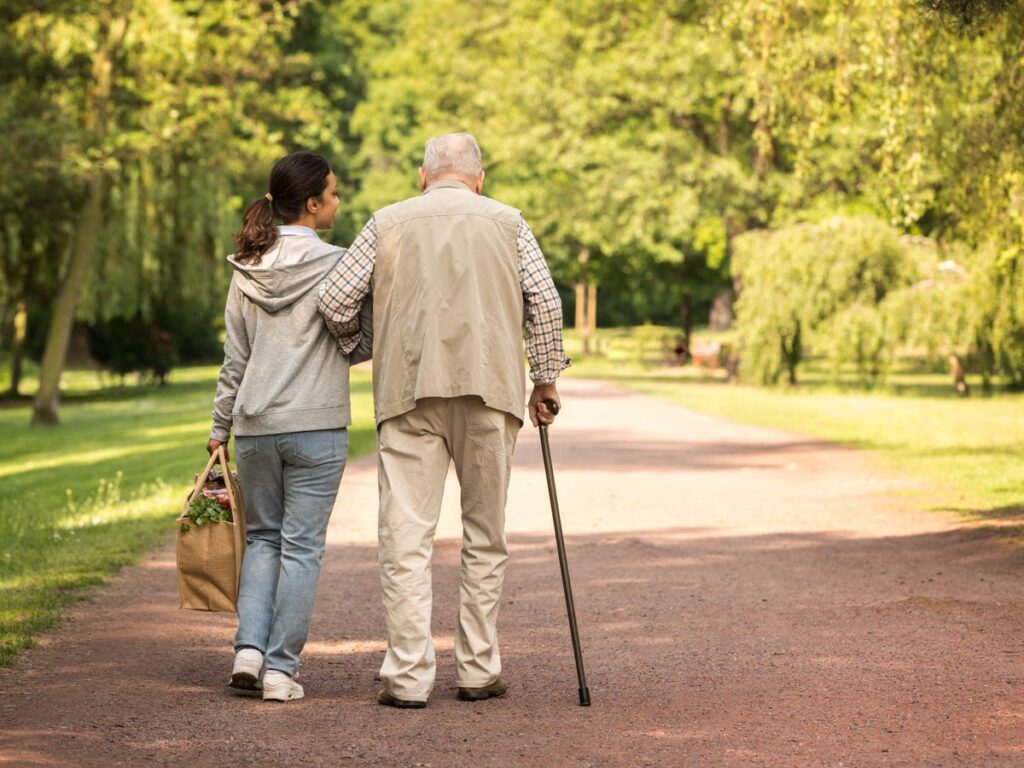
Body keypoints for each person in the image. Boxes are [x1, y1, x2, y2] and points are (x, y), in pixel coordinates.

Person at [318, 132, 570, 708]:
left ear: (422, 176)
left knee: (405, 537)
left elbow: (334, 300)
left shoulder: (386, 222)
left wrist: (365, 344)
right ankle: (478, 669)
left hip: (408, 391)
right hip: (491, 391)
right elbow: (546, 303)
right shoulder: (509, 222)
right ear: (479, 179)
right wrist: (546, 378)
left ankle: (407, 677)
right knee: (486, 534)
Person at [208, 150, 369, 702]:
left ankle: (248, 651)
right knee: (301, 548)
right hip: (317, 426)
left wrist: (219, 427)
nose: (338, 201)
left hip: (254, 426)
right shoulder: (340, 264)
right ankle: (281, 670)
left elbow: (236, 359)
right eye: (333, 192)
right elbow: (362, 340)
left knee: (261, 540)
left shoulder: (245, 268)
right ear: (312, 203)